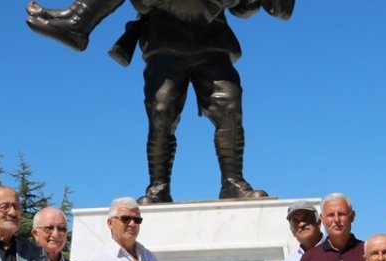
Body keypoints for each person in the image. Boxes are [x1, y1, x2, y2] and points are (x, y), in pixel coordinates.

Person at [27, 0, 292, 203]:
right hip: (164, 43)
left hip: (212, 43)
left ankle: (233, 182)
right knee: (161, 115)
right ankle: (158, 187)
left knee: (230, 109)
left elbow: (246, 9)